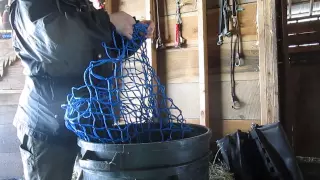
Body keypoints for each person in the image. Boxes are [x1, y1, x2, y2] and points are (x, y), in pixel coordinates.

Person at [9, 0, 155, 179]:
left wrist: (129, 34)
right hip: (48, 130)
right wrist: (108, 23)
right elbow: (59, 43)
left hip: (90, 125)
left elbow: (98, 51)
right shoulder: (30, 3)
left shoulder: (80, 4)